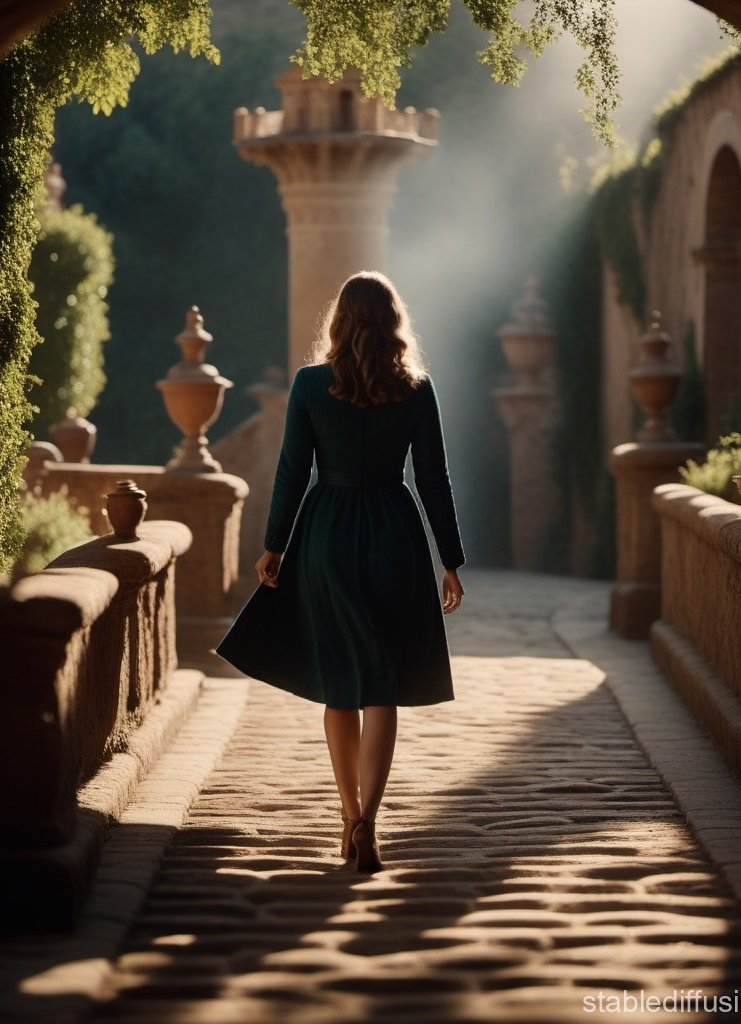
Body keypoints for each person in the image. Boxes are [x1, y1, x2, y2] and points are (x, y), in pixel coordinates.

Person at [216, 270, 465, 873]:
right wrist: (450, 560)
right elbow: (433, 479)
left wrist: (275, 544)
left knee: (340, 686)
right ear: (392, 323)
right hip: (394, 535)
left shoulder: (307, 385)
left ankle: (348, 812)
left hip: (325, 532)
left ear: (339, 322)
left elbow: (290, 472)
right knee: (382, 683)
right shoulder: (416, 388)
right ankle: (369, 824)